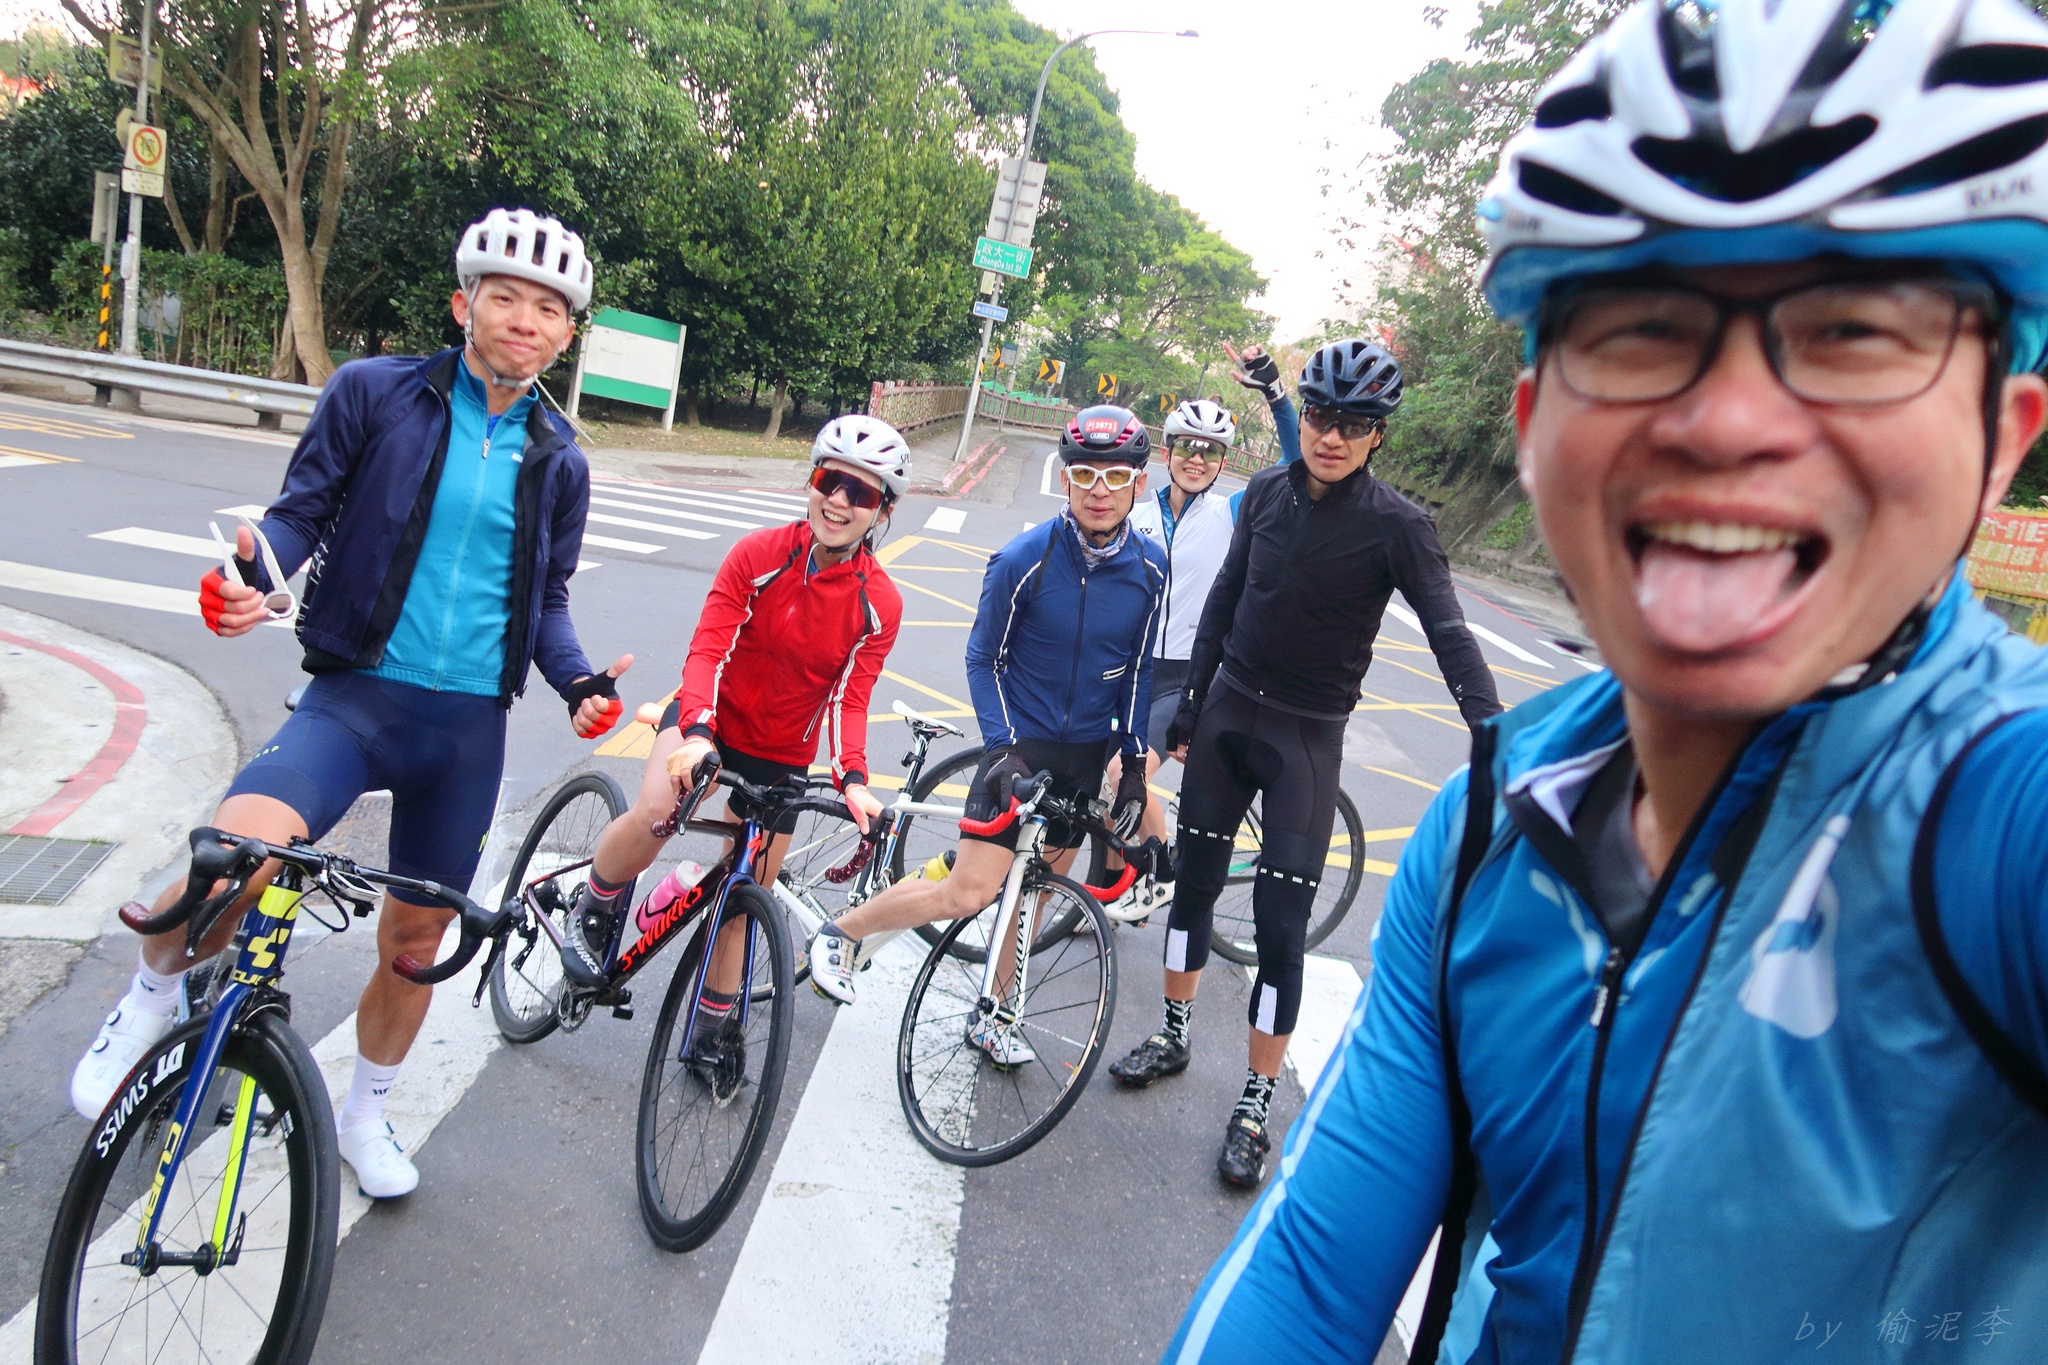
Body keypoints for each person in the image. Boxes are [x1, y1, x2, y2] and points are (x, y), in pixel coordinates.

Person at [1166, 0, 2048, 1358]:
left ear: (2001, 440)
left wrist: (1475, 705)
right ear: (1535, 428)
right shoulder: (1481, 832)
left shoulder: (2000, 817)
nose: (1728, 423)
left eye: (1855, 334)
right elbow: (1301, 1277)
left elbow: (1448, 630)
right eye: (1639, 328)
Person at [67, 209, 627, 1199]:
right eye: (504, 297)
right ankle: (152, 991)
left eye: (548, 309)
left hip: (464, 736)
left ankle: (366, 1116)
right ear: (462, 305)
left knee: (414, 945)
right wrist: (249, 578)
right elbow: (298, 517)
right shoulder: (374, 393)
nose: (524, 320)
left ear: (567, 333)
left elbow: (544, 601)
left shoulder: (561, 459)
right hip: (354, 700)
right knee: (230, 858)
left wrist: (579, 683)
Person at [1110, 336, 1503, 1189]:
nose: (1331, 434)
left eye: (1354, 423)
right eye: (1321, 414)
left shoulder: (1399, 527)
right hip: (1227, 715)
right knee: (1194, 888)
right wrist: (1190, 702)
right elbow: (1224, 600)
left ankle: (1254, 1103)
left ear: (1378, 435)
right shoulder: (1262, 493)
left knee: (1281, 928)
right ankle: (1174, 1034)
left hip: (1307, 739)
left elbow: (1449, 634)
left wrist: (1494, 735)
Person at [806, 405, 1168, 1065]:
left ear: (1139, 483)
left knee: (1031, 895)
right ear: (1064, 477)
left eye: (1116, 476)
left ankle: (996, 1016)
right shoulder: (1024, 559)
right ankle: (844, 933)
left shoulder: (1151, 568)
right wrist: (1003, 747)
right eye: (1085, 474)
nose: (1099, 490)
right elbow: (983, 659)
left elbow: (1139, 670)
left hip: (1085, 756)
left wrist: (1134, 762)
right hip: (1020, 751)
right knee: (970, 890)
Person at [559, 415, 908, 1027]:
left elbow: (851, 699)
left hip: (781, 752)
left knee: (745, 895)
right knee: (657, 813)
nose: (838, 501)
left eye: (860, 492)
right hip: (709, 720)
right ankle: (596, 904)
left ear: (882, 511)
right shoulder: (758, 554)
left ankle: (713, 1027)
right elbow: (709, 650)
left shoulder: (879, 602)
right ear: (811, 482)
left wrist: (853, 779)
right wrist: (697, 734)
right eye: (828, 481)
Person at [1103, 390, 1298, 923]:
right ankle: (1109, 896)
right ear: (1166, 452)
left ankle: (1165, 873)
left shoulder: (1232, 512)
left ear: (1222, 462)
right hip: (1131, 669)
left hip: (1189, 676)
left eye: (1210, 451)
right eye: (1187, 446)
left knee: (1124, 774)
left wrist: (1276, 396)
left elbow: (1295, 461)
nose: (1197, 458)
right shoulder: (1136, 511)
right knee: (1101, 780)